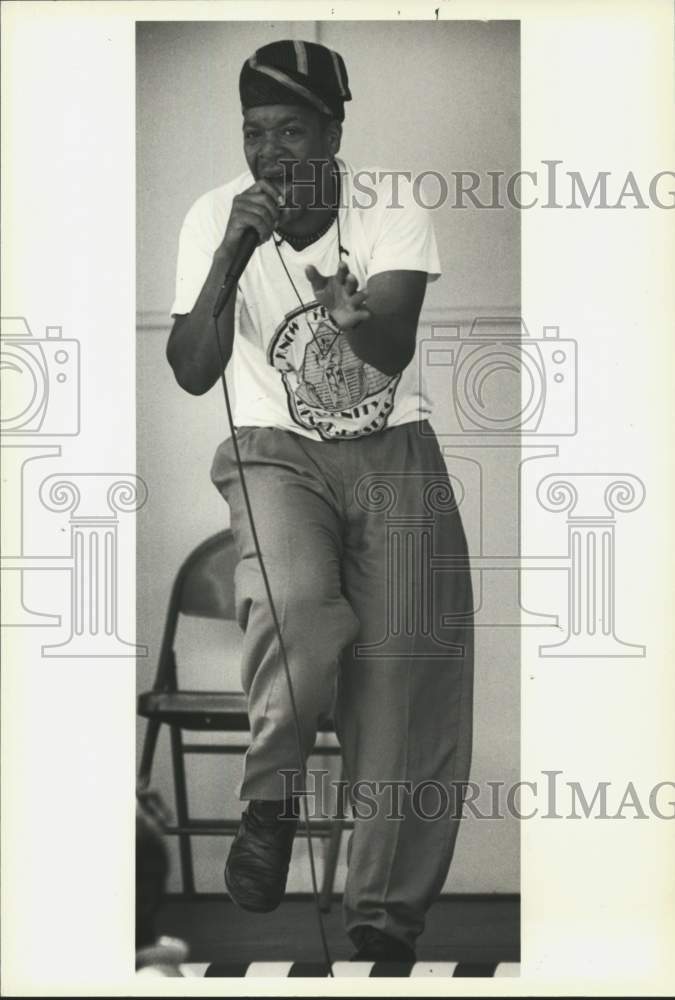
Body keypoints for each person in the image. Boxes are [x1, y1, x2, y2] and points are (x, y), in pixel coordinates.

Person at [167, 39, 474, 963]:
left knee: (408, 680)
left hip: (393, 454)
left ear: (335, 133)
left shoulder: (392, 208)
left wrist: (351, 314)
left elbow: (388, 354)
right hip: (274, 451)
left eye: (292, 131)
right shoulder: (212, 215)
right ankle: (271, 802)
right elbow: (191, 372)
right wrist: (230, 251)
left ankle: (383, 923)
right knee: (297, 608)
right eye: (255, 133)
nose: (270, 153)